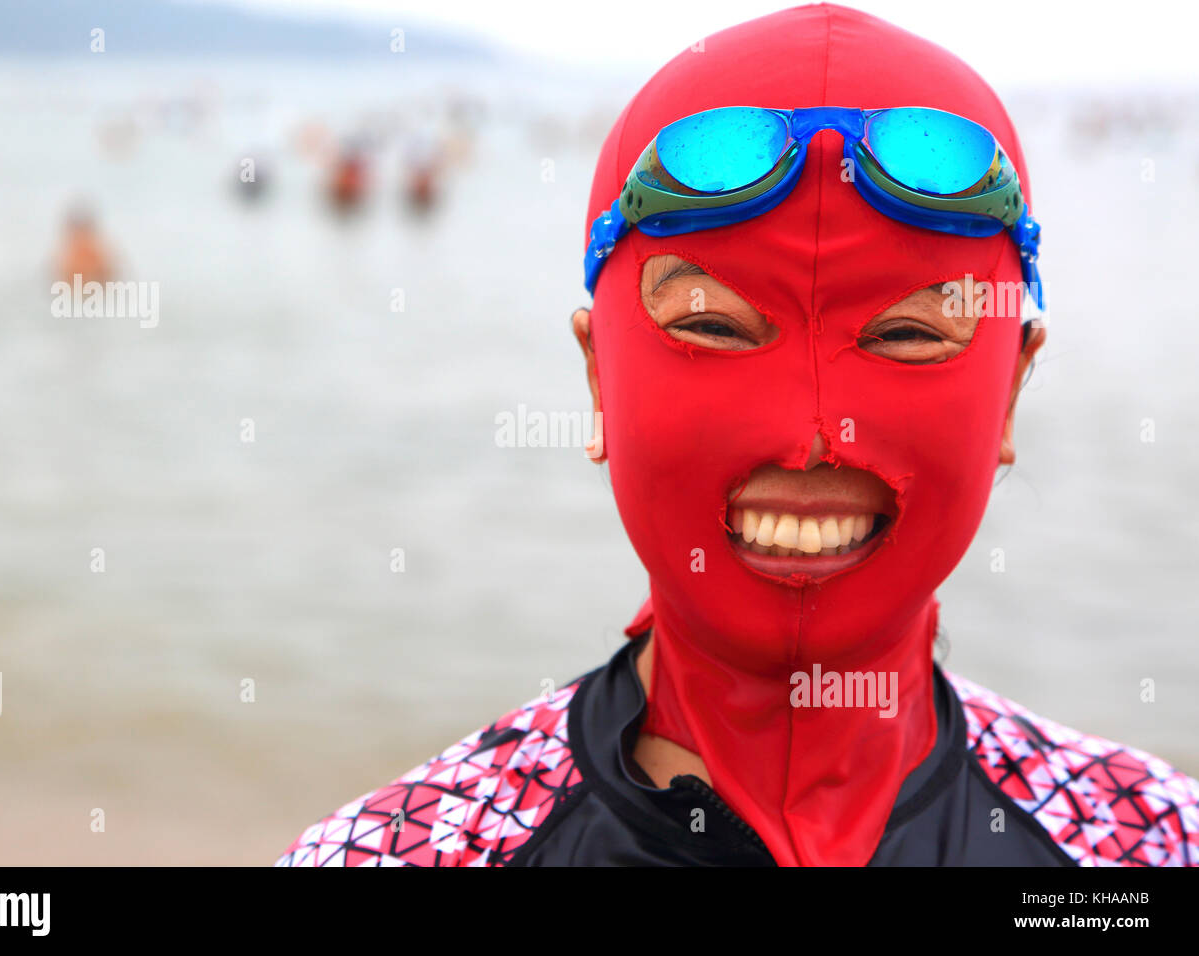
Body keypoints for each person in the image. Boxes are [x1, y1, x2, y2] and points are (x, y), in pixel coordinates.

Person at [277, 4, 1199, 867]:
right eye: (712, 327)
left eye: (910, 335)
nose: (809, 438)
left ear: (1010, 393)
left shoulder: (1143, 842)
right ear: (601, 378)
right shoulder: (403, 850)